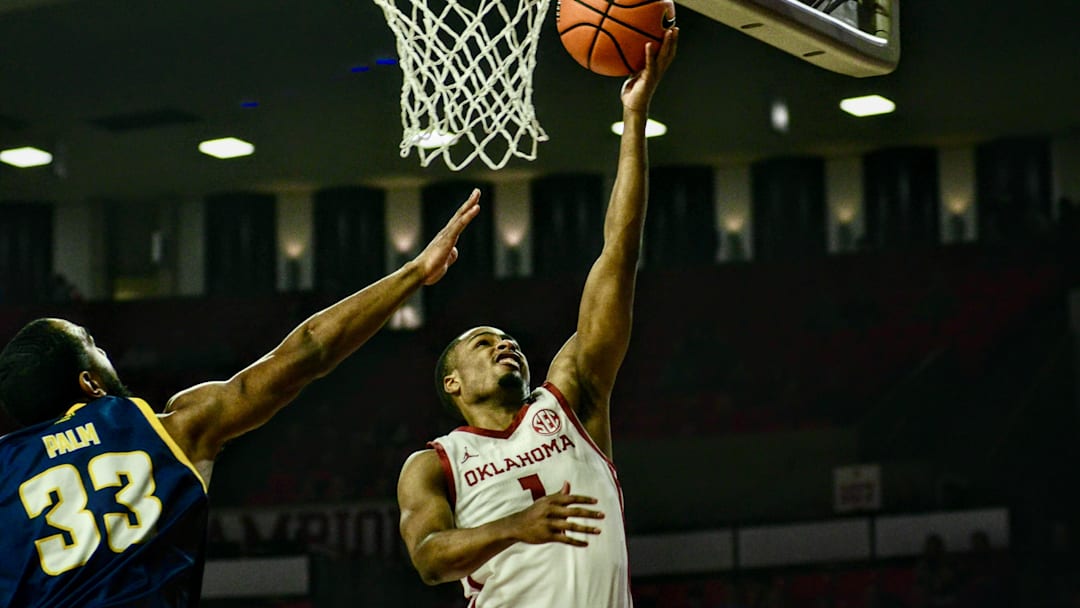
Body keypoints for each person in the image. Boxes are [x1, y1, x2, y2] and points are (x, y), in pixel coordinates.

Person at [0, 192, 480, 608]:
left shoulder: (5, 466)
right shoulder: (166, 429)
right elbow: (308, 352)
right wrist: (415, 272)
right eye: (94, 345)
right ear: (90, 383)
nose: (106, 351)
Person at [396, 28, 678, 607]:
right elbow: (428, 558)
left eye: (508, 340)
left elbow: (617, 255)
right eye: (483, 343)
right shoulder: (435, 463)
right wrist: (515, 527)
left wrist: (635, 118)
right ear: (452, 382)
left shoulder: (571, 398)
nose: (506, 345)